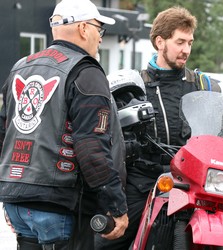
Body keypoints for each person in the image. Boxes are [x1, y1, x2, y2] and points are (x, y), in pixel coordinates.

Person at [0, 0, 129, 249]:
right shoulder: (85, 72)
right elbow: (92, 148)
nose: (100, 38)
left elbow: (4, 134)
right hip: (59, 205)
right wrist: (116, 206)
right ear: (83, 29)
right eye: (98, 29)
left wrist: (10, 190)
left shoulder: (21, 67)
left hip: (17, 202)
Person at [95, 6, 220, 249]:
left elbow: (221, 134)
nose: (186, 50)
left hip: (193, 182)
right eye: (180, 42)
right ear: (159, 41)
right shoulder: (134, 85)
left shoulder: (203, 84)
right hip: (144, 181)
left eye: (190, 42)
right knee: (107, 240)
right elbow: (114, 135)